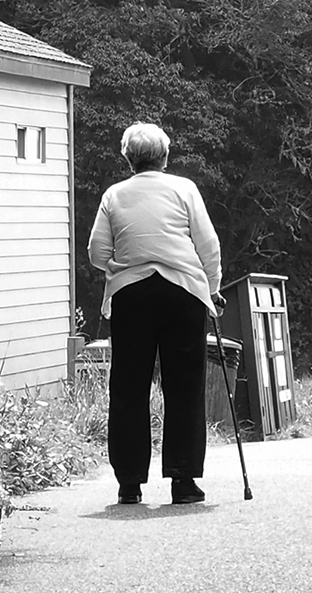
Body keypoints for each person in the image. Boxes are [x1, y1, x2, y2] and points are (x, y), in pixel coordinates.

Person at [86, 121, 223, 506]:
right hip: (182, 292)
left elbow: (97, 252)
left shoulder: (114, 195)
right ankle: (183, 481)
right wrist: (211, 289)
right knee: (184, 386)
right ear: (165, 156)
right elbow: (207, 245)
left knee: (129, 387)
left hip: (132, 296)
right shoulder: (185, 189)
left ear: (128, 158)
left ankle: (129, 482)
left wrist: (118, 268)